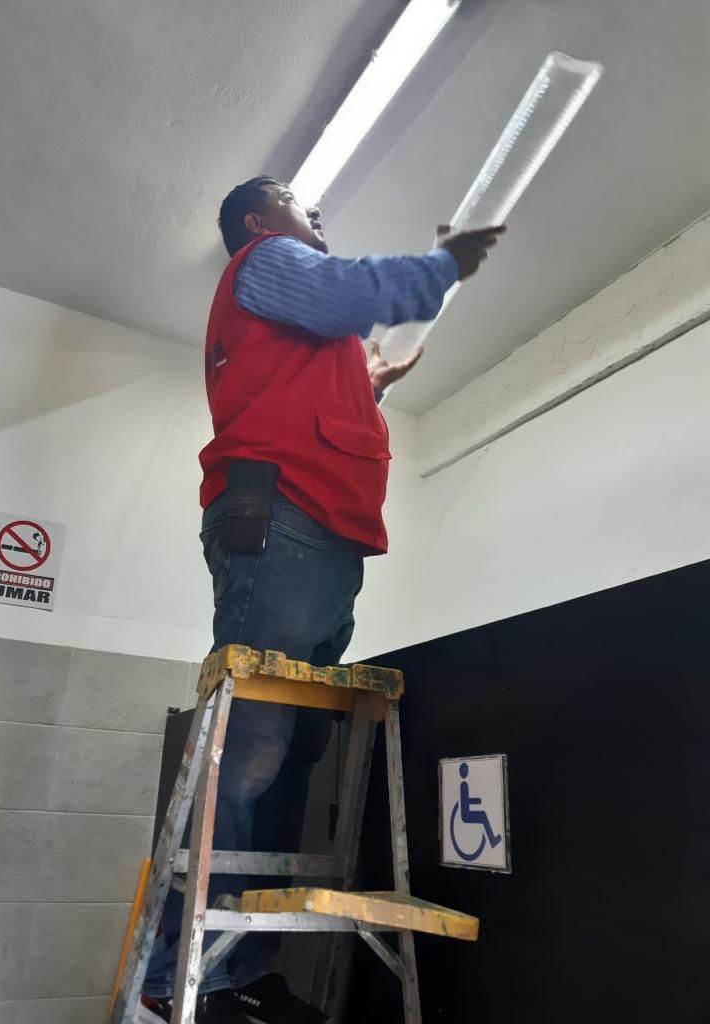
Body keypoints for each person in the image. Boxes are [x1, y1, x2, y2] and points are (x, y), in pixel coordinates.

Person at [138, 177, 503, 1023]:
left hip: (323, 532)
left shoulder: (288, 317)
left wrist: (369, 386)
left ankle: (237, 964)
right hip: (287, 518)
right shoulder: (266, 258)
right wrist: (440, 265)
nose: (314, 211)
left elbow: (304, 395)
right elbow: (352, 292)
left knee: (292, 749)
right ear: (256, 220)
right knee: (255, 745)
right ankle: (179, 974)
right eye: (296, 199)